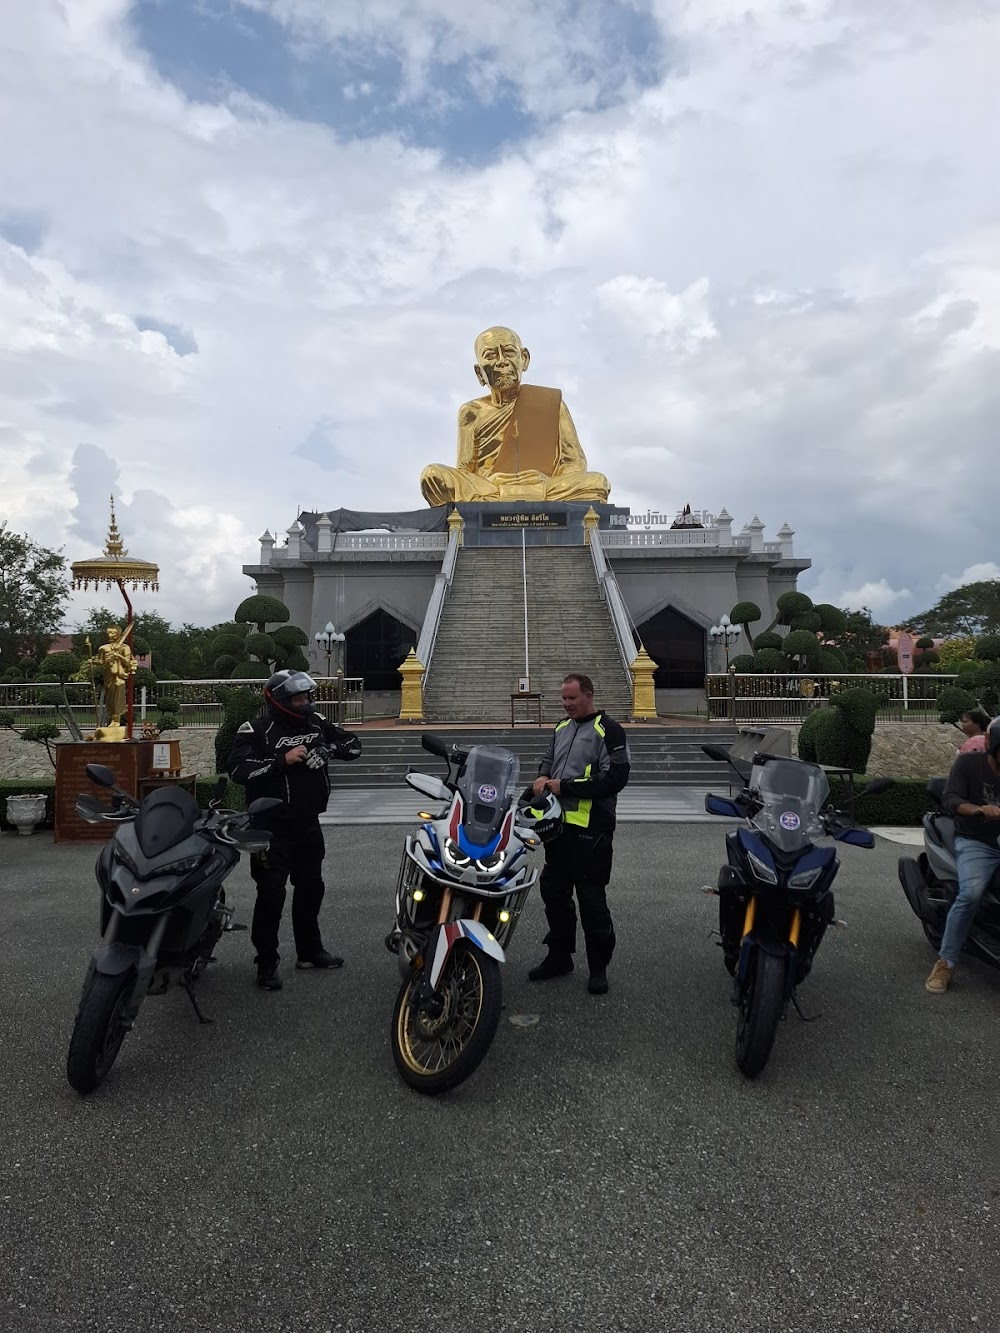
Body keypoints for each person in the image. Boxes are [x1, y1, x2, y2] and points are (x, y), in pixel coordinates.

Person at [227, 669, 362, 991]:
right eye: (298, 698)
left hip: (307, 824)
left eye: (307, 697)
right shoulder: (256, 729)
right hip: (269, 829)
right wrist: (280, 760)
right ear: (280, 700)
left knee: (311, 888)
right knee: (271, 894)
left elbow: (354, 745)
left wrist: (328, 750)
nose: (304, 703)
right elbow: (236, 769)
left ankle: (310, 951)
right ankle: (267, 963)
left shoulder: (315, 722)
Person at [419, 326, 610, 505]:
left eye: (509, 352)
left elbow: (574, 463)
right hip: (491, 485)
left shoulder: (551, 403)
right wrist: (492, 482)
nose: (502, 361)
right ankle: (520, 497)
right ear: (479, 373)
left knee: (597, 483)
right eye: (491, 356)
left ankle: (505, 499)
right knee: (433, 476)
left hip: (540, 484)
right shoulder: (471, 412)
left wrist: (544, 479)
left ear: (524, 359)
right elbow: (464, 472)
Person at [527, 672, 631, 995]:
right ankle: (560, 956)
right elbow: (548, 761)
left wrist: (566, 786)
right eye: (563, 698)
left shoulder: (609, 730)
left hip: (593, 832)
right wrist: (542, 778)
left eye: (572, 698)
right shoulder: (560, 728)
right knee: (553, 893)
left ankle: (598, 967)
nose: (566, 703)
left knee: (591, 902)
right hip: (559, 831)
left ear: (588, 695)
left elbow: (615, 777)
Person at [925, 716, 1000, 993]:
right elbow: (951, 798)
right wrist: (979, 809)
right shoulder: (970, 764)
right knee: (970, 894)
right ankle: (946, 962)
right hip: (977, 841)